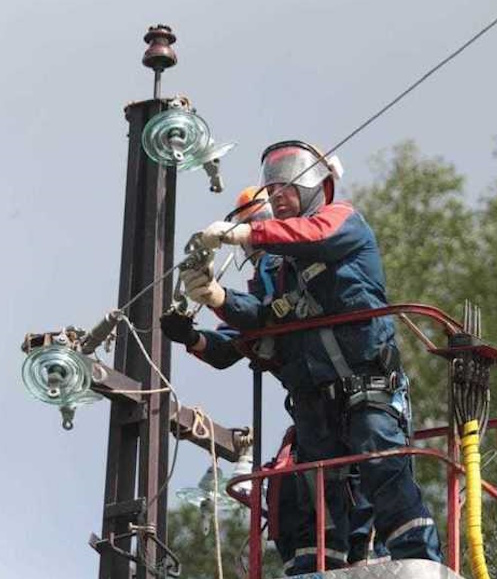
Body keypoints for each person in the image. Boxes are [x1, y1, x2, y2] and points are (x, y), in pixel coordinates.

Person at [162, 141, 442, 569]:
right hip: (315, 402)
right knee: (316, 491)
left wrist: (245, 232)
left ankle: (416, 560)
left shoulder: (342, 223)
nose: (275, 195)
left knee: (381, 464)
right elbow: (252, 326)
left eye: (284, 186)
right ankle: (318, 568)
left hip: (367, 383)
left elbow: (314, 235)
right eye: (269, 188)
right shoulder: (276, 272)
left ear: (314, 185)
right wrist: (213, 301)